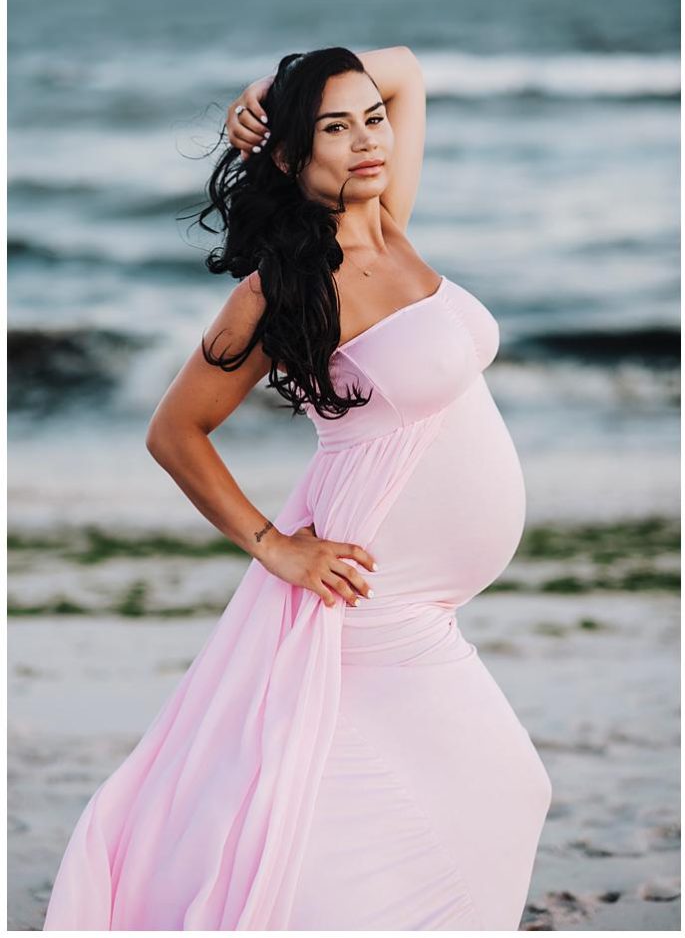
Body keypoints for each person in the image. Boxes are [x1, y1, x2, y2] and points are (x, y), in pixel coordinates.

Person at [42, 45, 552, 931]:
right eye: (333, 127)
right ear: (286, 156)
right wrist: (276, 546)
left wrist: (269, 91)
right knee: (491, 787)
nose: (367, 141)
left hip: (419, 608)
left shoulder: (389, 223)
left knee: (470, 793)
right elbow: (175, 430)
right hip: (369, 603)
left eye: (371, 121)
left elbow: (407, 71)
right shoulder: (286, 288)